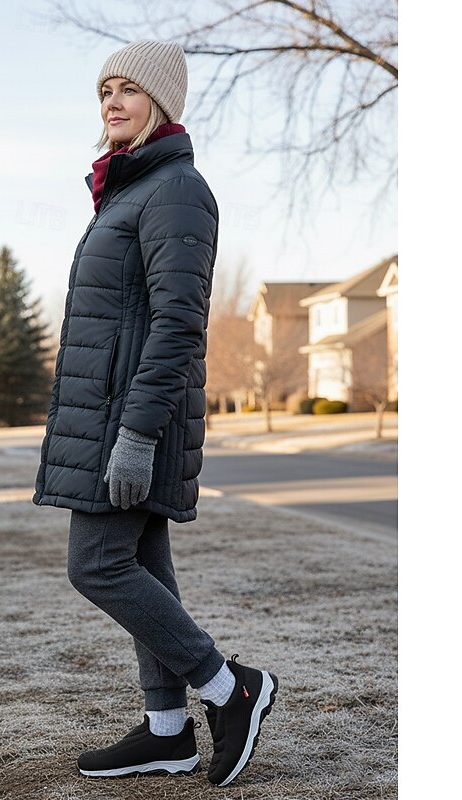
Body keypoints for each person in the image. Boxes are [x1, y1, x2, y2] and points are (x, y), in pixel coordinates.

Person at [32, 39, 278, 788]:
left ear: (161, 102)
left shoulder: (174, 189)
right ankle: (167, 733)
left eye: (129, 89)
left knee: (97, 564)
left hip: (132, 420)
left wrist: (136, 434)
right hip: (113, 416)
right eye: (105, 89)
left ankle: (230, 688)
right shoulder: (131, 187)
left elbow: (178, 324)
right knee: (140, 566)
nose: (113, 101)